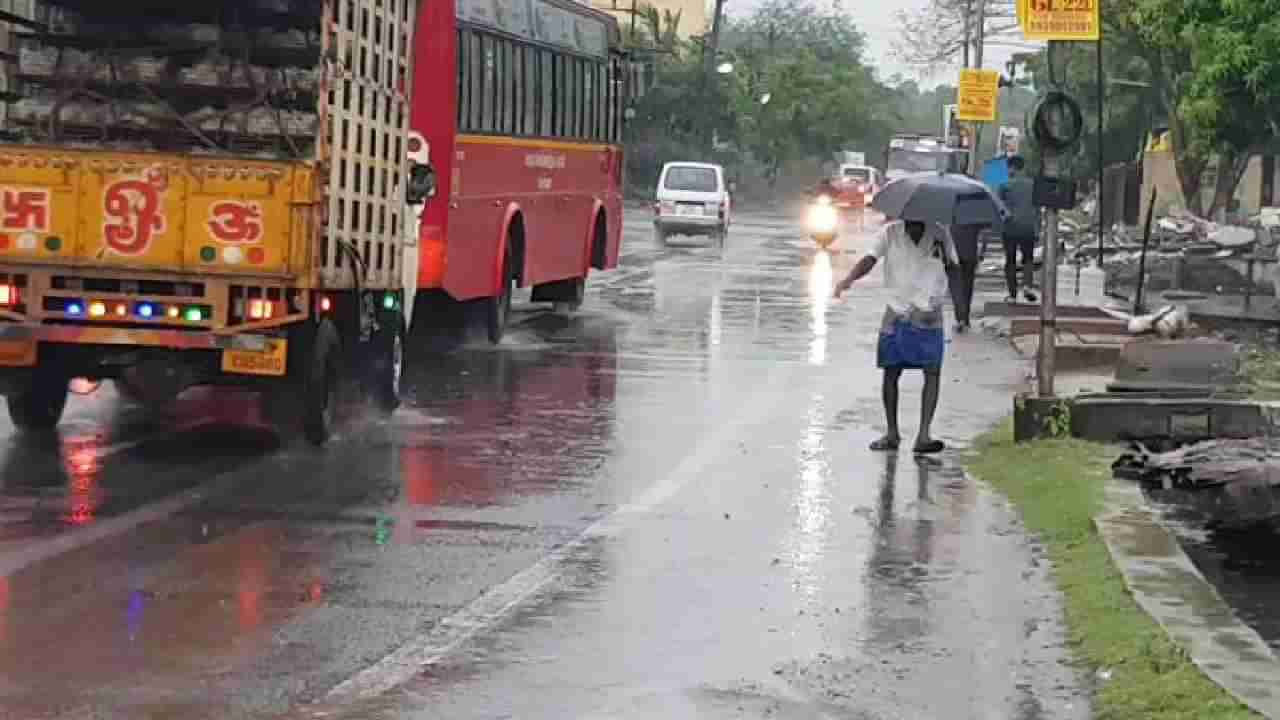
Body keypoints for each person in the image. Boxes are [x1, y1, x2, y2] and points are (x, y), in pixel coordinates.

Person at [834, 218, 957, 455]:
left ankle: (924, 434)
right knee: (891, 371)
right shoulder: (889, 233)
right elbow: (870, 259)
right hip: (896, 310)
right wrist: (849, 280)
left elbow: (954, 267)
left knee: (932, 371)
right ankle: (892, 433)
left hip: (929, 312)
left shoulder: (940, 233)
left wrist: (945, 257)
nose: (914, 224)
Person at [999, 156, 1040, 303]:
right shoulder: (1033, 185)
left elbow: (1000, 208)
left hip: (1010, 228)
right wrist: (1037, 229)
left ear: (1012, 168)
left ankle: (1012, 294)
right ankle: (1027, 286)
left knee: (1010, 260)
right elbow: (1037, 209)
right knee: (1028, 259)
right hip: (1028, 228)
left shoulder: (1004, 185)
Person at [946, 223, 987, 332]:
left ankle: (960, 318)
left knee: (956, 289)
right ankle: (965, 318)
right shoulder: (973, 215)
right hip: (970, 255)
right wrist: (982, 250)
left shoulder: (950, 214)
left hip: (954, 257)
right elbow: (984, 234)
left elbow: (944, 236)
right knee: (967, 288)